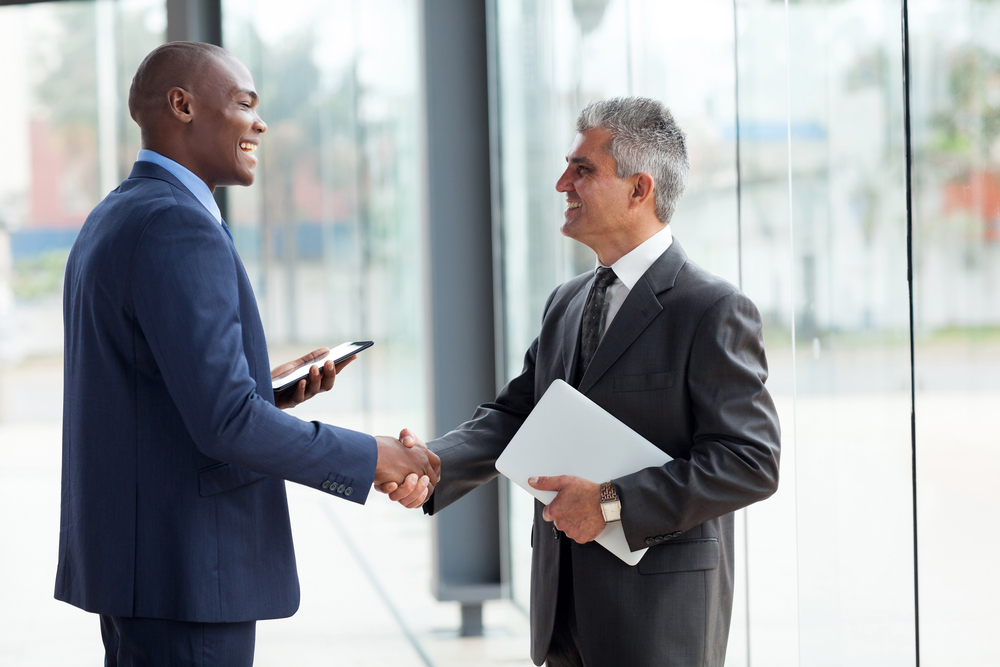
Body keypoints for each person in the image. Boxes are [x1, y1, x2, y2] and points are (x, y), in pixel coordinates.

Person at [56, 41, 438, 666]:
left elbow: (145, 387)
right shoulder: (178, 225)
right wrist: (376, 458)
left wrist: (264, 387)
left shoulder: (117, 214)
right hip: (187, 577)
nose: (259, 123)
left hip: (140, 570)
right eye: (243, 103)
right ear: (180, 105)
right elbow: (227, 422)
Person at [387, 97, 781, 666]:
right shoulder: (566, 302)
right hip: (561, 611)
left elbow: (751, 461)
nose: (561, 184)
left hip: (659, 617)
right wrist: (433, 463)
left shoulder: (712, 308)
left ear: (639, 189)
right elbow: (516, 416)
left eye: (583, 170)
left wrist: (612, 501)